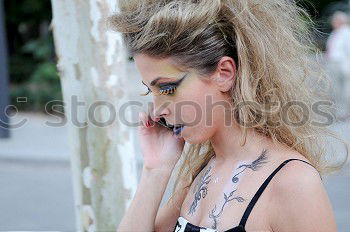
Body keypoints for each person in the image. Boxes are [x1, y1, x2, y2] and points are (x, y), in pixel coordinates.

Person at [109, 1, 349, 231]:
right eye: (149, 90)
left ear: (224, 73)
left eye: (167, 88)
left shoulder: (293, 183)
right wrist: (155, 169)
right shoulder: (201, 173)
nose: (158, 109)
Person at [326, 11, 350, 120]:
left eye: (334, 20)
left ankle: (344, 112)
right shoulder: (336, 32)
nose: (332, 22)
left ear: (340, 21)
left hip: (342, 64)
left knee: (344, 90)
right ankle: (340, 112)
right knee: (337, 89)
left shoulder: (346, 32)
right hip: (334, 63)